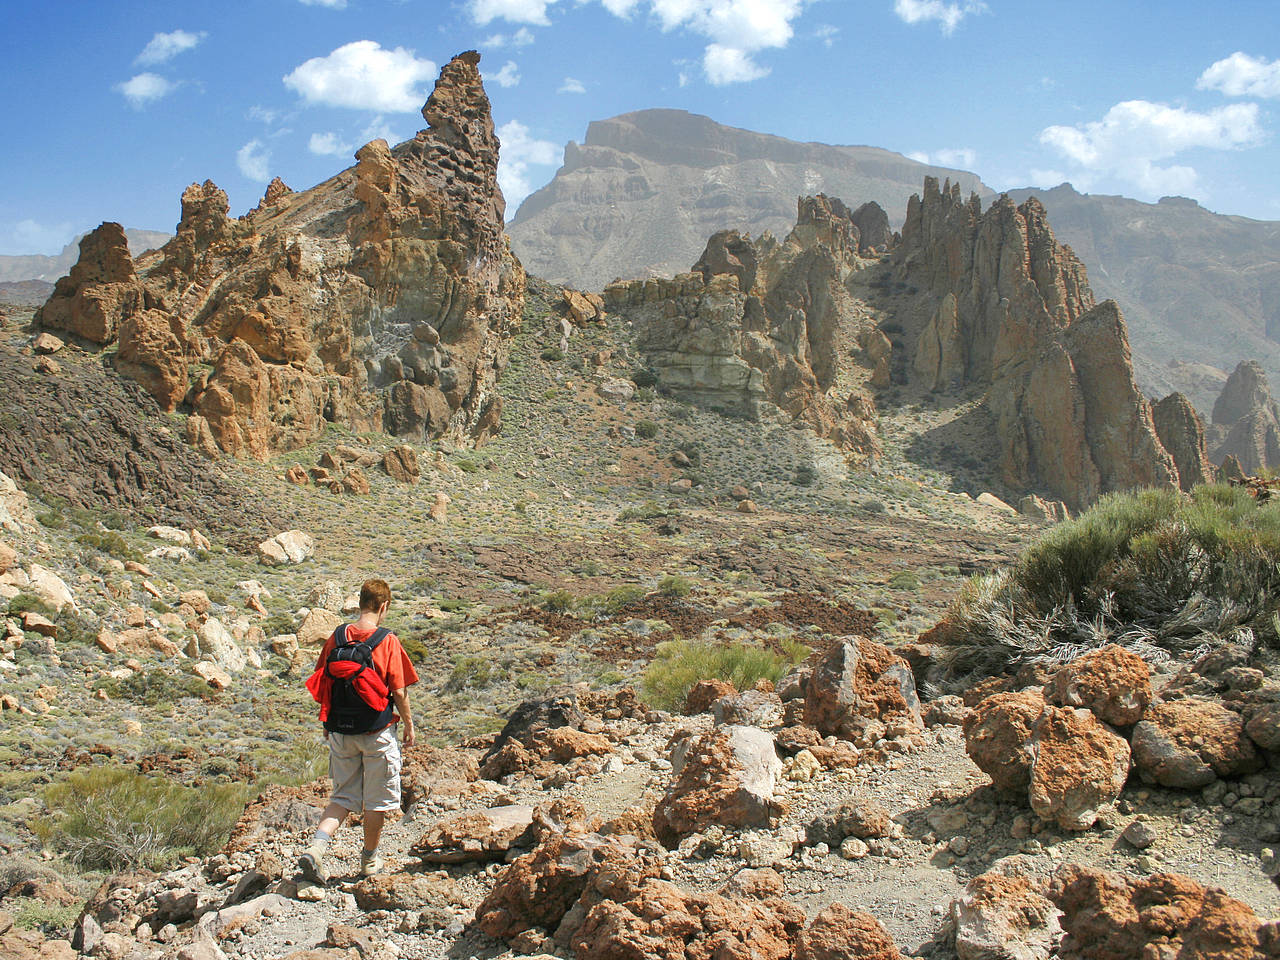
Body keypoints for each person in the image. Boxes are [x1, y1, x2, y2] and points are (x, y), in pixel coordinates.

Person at [299, 578, 418, 882]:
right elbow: (400, 691)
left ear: (360, 602)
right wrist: (408, 723)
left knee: (341, 797)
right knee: (376, 801)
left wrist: (328, 721)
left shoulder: (337, 636)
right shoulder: (386, 640)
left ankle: (316, 847)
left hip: (340, 730)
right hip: (376, 731)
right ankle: (369, 860)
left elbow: (322, 680)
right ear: (384, 606)